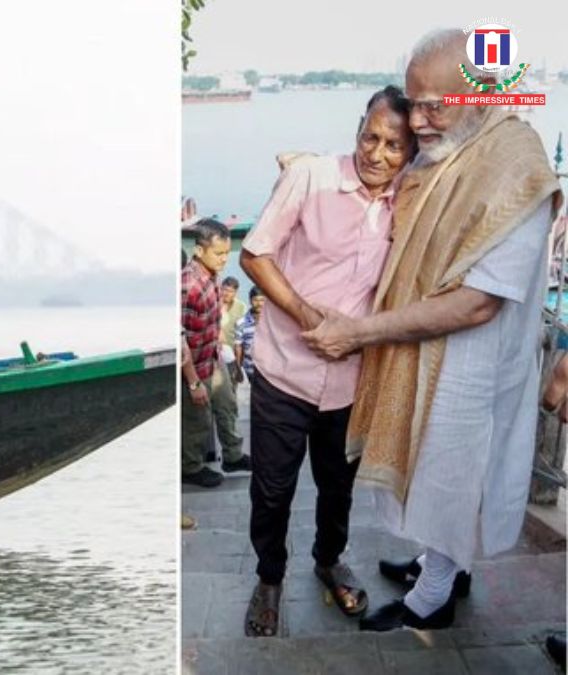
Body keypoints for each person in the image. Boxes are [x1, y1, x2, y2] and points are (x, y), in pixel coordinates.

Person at [301, 29, 563, 632]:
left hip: (470, 358)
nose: (417, 121)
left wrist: (363, 332)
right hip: (425, 351)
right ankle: (440, 564)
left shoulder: (514, 168)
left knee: (451, 472)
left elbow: (476, 305)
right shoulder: (460, 143)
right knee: (433, 472)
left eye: (432, 105)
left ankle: (434, 600)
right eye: (413, 103)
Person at [238, 85, 416, 637]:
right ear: (357, 130)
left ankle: (328, 560)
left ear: (409, 154)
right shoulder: (310, 178)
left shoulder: (408, 200)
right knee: (272, 490)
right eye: (370, 136)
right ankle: (269, 579)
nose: (376, 154)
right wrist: (302, 312)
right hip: (283, 371)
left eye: (393, 145)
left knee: (337, 488)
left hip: (350, 382)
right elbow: (254, 252)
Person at [181, 219, 250, 489]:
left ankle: (232, 456)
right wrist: (193, 382)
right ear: (199, 250)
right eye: (218, 254)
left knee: (228, 405)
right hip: (194, 367)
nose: (224, 259)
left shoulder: (212, 276)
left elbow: (210, 322)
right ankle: (191, 467)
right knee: (197, 419)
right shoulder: (189, 286)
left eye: (226, 253)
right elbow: (180, 339)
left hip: (212, 357)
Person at [233, 286, 264, 386]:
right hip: (250, 370)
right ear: (250, 301)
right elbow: (238, 347)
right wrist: (238, 368)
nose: (259, 303)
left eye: (262, 300)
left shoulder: (272, 321)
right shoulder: (241, 323)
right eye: (255, 300)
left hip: (270, 371)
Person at [220, 277, 247, 386]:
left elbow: (240, 337)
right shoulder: (214, 302)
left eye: (230, 291)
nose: (226, 294)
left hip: (232, 354)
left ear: (236, 293)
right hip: (214, 352)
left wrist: (239, 362)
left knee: (232, 386)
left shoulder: (241, 307)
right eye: (224, 290)